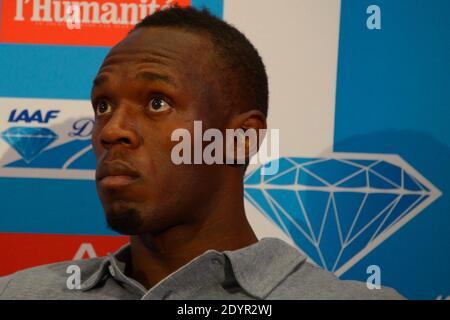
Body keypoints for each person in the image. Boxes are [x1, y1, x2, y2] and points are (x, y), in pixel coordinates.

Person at [0, 7, 403, 300]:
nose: (112, 130)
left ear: (241, 139)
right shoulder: (20, 293)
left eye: (157, 102)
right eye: (103, 105)